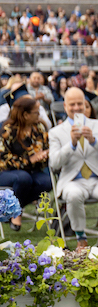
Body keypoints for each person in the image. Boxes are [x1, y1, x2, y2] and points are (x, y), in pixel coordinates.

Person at [48, 87, 98, 249]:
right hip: (72, 181)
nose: (76, 108)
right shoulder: (56, 132)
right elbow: (54, 163)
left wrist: (95, 141)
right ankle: (81, 238)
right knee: (73, 195)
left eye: (79, 104)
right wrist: (71, 144)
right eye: (72, 104)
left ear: (85, 104)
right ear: (65, 106)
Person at [0, 95, 52, 232]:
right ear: (25, 114)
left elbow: (46, 148)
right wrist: (29, 160)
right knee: (23, 178)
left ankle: (16, 208)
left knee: (48, 182)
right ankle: (15, 213)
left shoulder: (40, 127)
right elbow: (4, 160)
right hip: (6, 172)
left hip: (32, 171)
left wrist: (44, 156)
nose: (39, 115)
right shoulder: (8, 129)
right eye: (36, 112)